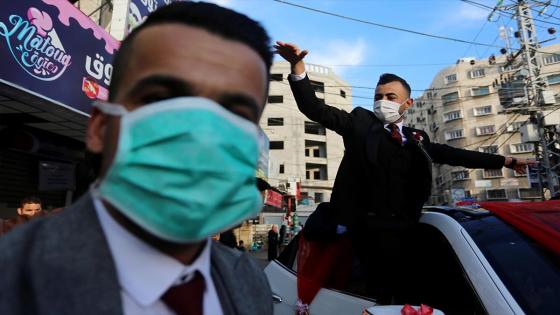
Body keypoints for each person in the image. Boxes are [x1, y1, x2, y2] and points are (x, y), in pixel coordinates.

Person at [0, 2, 274, 314]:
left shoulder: (247, 279)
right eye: (159, 99)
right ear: (100, 128)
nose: (198, 136)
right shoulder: (12, 275)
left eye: (231, 114)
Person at [274, 41, 537, 303]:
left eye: (390, 97)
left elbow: (455, 154)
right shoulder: (360, 123)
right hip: (359, 239)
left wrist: (506, 161)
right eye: (378, 97)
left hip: (405, 237)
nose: (382, 102)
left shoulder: (417, 139)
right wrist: (297, 66)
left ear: (407, 103)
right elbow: (315, 109)